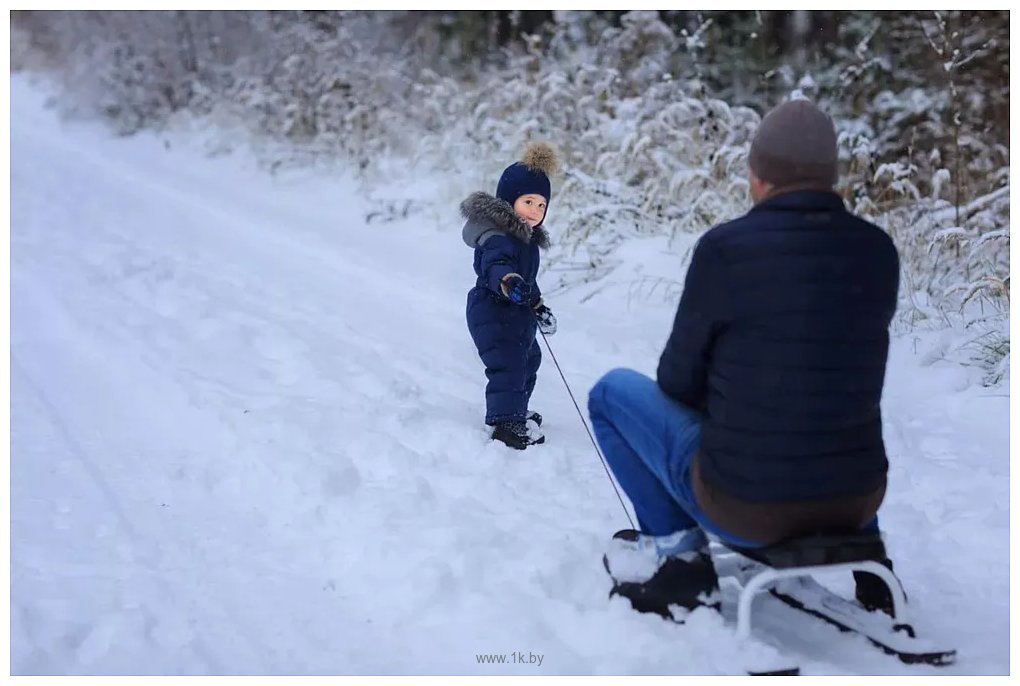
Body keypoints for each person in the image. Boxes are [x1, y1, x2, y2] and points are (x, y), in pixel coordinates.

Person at [588, 99, 901, 620]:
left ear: (757, 177)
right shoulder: (877, 251)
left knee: (609, 393)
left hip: (748, 511)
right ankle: (874, 566)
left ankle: (679, 560)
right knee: (831, 398)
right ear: (832, 177)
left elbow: (677, 381)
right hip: (858, 501)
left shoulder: (726, 250)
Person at [462, 142, 559, 450]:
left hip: (516, 313)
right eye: (528, 201)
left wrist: (538, 305)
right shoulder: (499, 237)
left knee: (530, 358)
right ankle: (505, 422)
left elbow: (528, 281)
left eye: (541, 205)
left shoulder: (527, 241)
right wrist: (508, 281)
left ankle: (517, 409)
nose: (535, 210)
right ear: (508, 202)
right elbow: (496, 267)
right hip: (492, 311)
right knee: (509, 363)